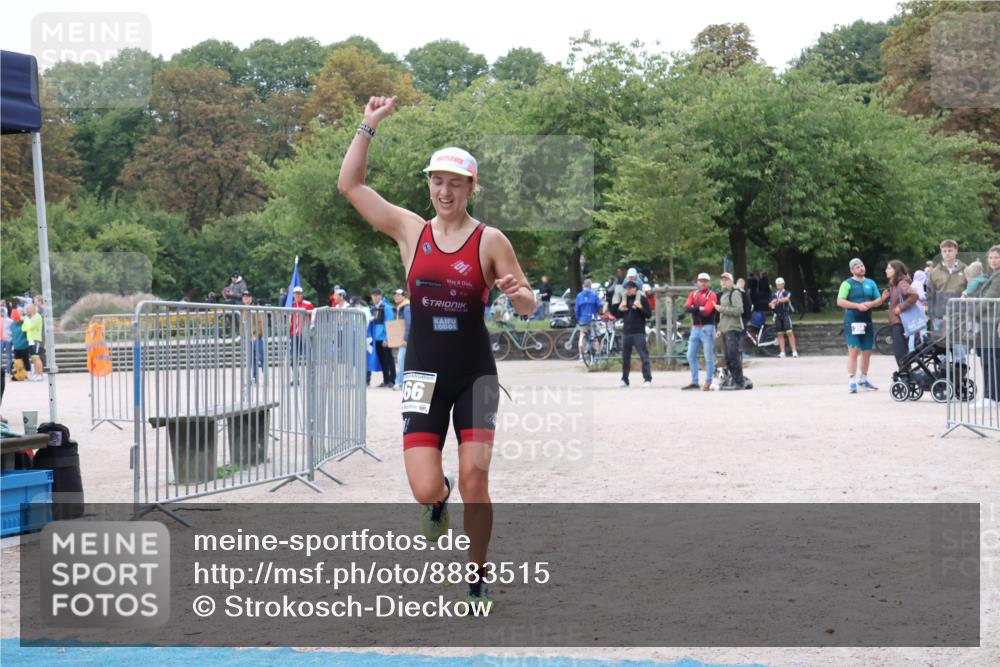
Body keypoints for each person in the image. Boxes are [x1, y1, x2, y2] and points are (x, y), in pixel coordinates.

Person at [338, 94, 535, 611]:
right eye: (437, 181)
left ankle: (476, 575)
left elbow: (530, 300)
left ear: (471, 187)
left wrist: (518, 294)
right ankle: (437, 499)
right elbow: (350, 186)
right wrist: (367, 126)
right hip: (423, 373)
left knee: (477, 477)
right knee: (427, 488)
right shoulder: (410, 230)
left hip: (475, 374)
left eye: (455, 182)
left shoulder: (490, 240)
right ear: (428, 184)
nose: (445, 191)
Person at [836, 258, 883, 393]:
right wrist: (857, 306)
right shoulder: (847, 284)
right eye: (857, 267)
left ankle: (864, 378)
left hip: (867, 321)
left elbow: (878, 300)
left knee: (867, 352)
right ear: (852, 270)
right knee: (854, 351)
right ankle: (852, 380)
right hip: (852, 322)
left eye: (862, 265)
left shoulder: (870, 283)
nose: (860, 268)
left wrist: (870, 304)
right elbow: (840, 301)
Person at [972, 246, 1000, 409]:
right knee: (989, 358)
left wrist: (973, 313)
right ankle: (991, 395)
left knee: (991, 359)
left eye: (996, 257)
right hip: (989, 321)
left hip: (991, 320)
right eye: (990, 258)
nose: (993, 260)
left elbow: (991, 296)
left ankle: (991, 396)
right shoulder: (993, 274)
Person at [681, 272, 718, 391]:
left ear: (709, 283)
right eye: (700, 281)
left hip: (708, 327)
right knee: (690, 355)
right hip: (695, 327)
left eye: (705, 281)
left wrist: (694, 308)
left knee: (708, 357)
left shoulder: (712, 295)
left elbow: (707, 311)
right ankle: (695, 381)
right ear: (697, 282)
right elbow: (686, 307)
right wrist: (698, 308)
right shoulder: (693, 293)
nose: (702, 283)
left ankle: (708, 381)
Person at [881, 261, 919, 371]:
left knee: (900, 351)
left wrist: (901, 307)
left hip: (900, 322)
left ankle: (905, 374)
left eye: (889, 268)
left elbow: (913, 295)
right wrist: (884, 300)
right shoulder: (895, 284)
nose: (886, 270)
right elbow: (894, 304)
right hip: (897, 321)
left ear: (896, 270)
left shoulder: (901, 283)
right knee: (900, 351)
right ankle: (906, 374)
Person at [613, 280, 652, 388]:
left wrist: (640, 307)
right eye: (626, 288)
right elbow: (618, 315)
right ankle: (624, 380)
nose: (628, 290)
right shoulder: (624, 299)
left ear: (635, 288)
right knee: (625, 357)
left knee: (644, 356)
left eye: (630, 288)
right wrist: (619, 309)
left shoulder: (642, 299)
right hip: (626, 332)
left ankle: (647, 379)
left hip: (638, 332)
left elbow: (648, 314)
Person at [926, 239, 968, 331]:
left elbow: (971, 291)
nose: (947, 253)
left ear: (956, 251)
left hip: (961, 314)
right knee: (941, 343)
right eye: (944, 251)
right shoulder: (934, 272)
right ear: (941, 252)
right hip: (940, 315)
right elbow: (930, 295)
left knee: (961, 343)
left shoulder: (966, 269)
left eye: (950, 250)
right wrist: (932, 315)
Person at [716, 272, 748, 390]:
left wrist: (722, 309)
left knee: (734, 356)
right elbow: (722, 316)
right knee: (728, 357)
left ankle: (739, 382)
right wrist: (719, 328)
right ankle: (733, 380)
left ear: (731, 281)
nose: (724, 282)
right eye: (722, 279)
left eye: (726, 279)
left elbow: (739, 310)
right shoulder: (723, 294)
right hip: (725, 329)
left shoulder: (735, 293)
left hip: (733, 328)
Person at [370, 288, 396, 387]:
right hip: (377, 339)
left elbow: (389, 323)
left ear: (380, 296)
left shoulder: (386, 307)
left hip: (384, 338)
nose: (375, 297)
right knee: (383, 361)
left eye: (377, 295)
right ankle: (386, 380)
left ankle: (392, 380)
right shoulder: (373, 308)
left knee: (389, 360)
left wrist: (387, 338)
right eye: (373, 295)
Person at [288, 286, 314, 385]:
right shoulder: (292, 305)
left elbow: (314, 318)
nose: (298, 295)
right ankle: (295, 378)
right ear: (293, 295)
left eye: (299, 293)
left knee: (309, 356)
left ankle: (311, 378)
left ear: (302, 294)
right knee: (293, 357)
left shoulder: (308, 304)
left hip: (305, 334)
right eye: (296, 293)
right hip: (294, 334)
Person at [769, 277, 798, 358]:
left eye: (780, 284)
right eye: (777, 284)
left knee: (789, 332)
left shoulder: (787, 292)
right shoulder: (774, 294)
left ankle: (794, 351)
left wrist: (777, 300)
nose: (779, 286)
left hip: (785, 314)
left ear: (783, 284)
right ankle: (782, 352)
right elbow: (770, 303)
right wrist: (771, 304)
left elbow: (786, 299)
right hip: (777, 315)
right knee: (780, 334)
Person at [242, 292, 266, 384]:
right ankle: (254, 378)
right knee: (251, 359)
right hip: (247, 337)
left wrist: (257, 334)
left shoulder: (255, 308)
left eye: (247, 297)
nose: (245, 299)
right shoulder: (243, 309)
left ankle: (265, 375)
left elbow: (260, 322)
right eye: (244, 297)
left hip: (256, 337)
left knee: (261, 356)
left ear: (251, 298)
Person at [574, 279, 601, 359]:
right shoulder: (594, 294)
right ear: (590, 286)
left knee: (582, 335)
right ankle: (597, 355)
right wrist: (596, 312)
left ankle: (581, 355)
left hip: (583, 319)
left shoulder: (579, 296)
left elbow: (576, 309)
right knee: (594, 336)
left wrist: (578, 318)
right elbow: (599, 305)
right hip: (592, 318)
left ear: (583, 286)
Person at [392, 289, 412, 391]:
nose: (396, 296)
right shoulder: (400, 307)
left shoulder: (406, 308)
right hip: (404, 340)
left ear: (404, 296)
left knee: (400, 360)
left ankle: (399, 383)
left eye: (399, 295)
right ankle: (402, 383)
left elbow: (409, 324)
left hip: (406, 341)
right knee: (403, 361)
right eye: (395, 295)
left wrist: (406, 339)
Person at [22, 303, 45, 381]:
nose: (27, 311)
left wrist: (26, 323)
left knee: (37, 357)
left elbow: (30, 327)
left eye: (28, 309)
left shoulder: (37, 316)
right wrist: (27, 325)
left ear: (32, 309)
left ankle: (40, 374)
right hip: (30, 340)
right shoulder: (30, 318)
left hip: (36, 339)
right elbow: (24, 328)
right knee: (33, 358)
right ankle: (36, 373)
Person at [1, 306, 12, 376]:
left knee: (9, 356)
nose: (1, 313)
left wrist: (11, 339)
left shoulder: (10, 321)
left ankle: (8, 371)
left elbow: (12, 330)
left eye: (2, 311)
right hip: (1, 340)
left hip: (8, 340)